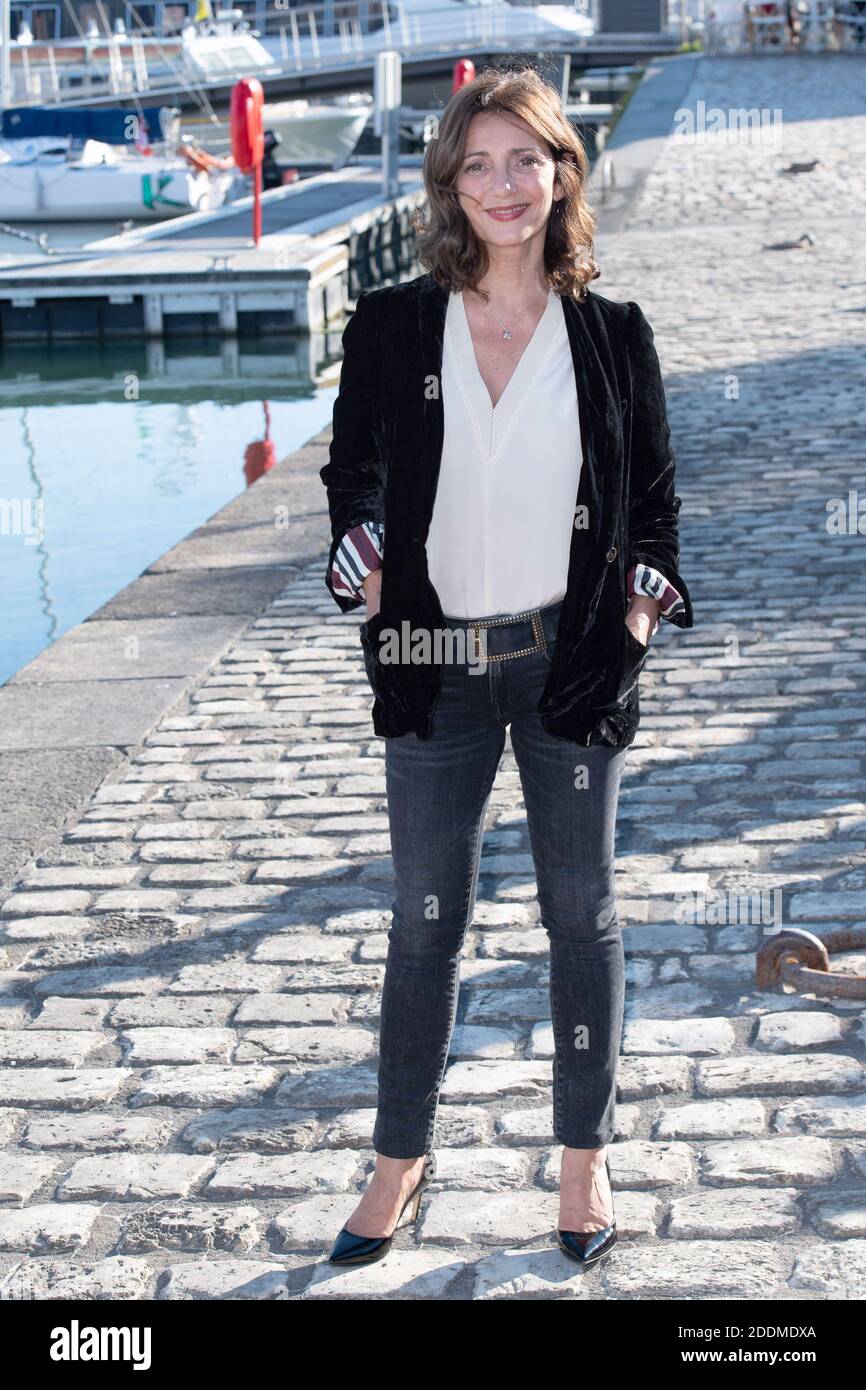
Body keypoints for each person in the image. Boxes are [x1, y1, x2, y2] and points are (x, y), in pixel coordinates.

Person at [319, 63, 693, 1268]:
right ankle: (398, 1162)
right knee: (421, 922)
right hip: (432, 667)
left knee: (579, 916)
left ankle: (581, 1166)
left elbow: (652, 511)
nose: (500, 184)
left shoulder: (611, 336)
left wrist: (622, 644)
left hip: (562, 663)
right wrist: (378, 584)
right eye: (476, 163)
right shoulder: (388, 327)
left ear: (559, 174)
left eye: (522, 159)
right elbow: (352, 483)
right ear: (449, 182)